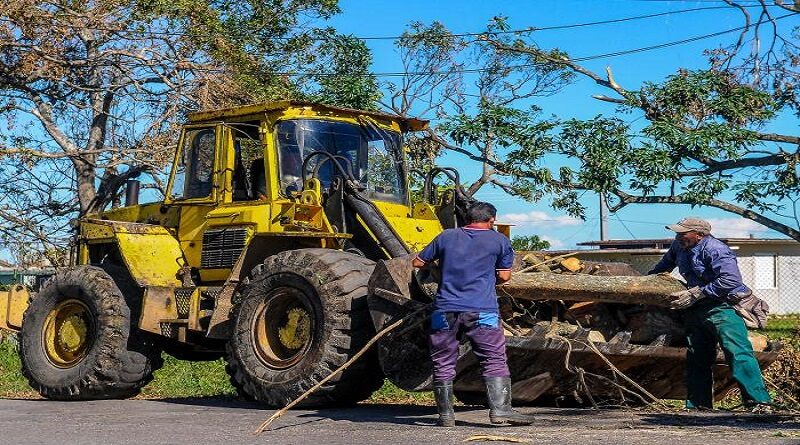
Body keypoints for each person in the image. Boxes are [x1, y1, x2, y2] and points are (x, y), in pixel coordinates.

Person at [412, 202, 535, 427]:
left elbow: (418, 262)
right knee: (493, 359)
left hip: (444, 310)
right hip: (482, 310)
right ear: (492, 221)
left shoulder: (446, 236)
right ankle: (500, 411)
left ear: (468, 219)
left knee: (442, 361)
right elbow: (505, 277)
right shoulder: (500, 240)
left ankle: (446, 416)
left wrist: (439, 270)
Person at [648, 217, 771, 412]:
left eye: (682, 233)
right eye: (677, 233)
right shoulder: (679, 247)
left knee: (737, 352)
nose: (678, 236)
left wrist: (698, 292)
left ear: (699, 234)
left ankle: (759, 402)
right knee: (697, 355)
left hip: (724, 306)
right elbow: (662, 268)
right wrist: (646, 283)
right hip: (696, 309)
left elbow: (730, 280)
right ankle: (699, 406)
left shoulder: (716, 249)